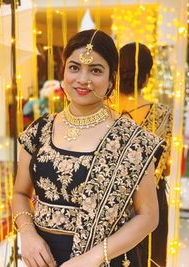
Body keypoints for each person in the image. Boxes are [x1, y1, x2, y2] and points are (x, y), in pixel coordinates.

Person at [12, 30, 165, 267]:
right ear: (63, 72)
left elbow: (148, 216)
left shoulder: (133, 140)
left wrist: (92, 258)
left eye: (96, 70)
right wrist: (27, 234)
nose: (83, 79)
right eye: (74, 67)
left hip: (106, 260)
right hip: (42, 258)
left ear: (111, 79)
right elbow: (20, 194)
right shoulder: (38, 131)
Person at [119, 42, 173, 267]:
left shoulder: (102, 112)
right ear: (148, 76)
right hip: (153, 202)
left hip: (112, 202)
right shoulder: (164, 115)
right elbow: (166, 168)